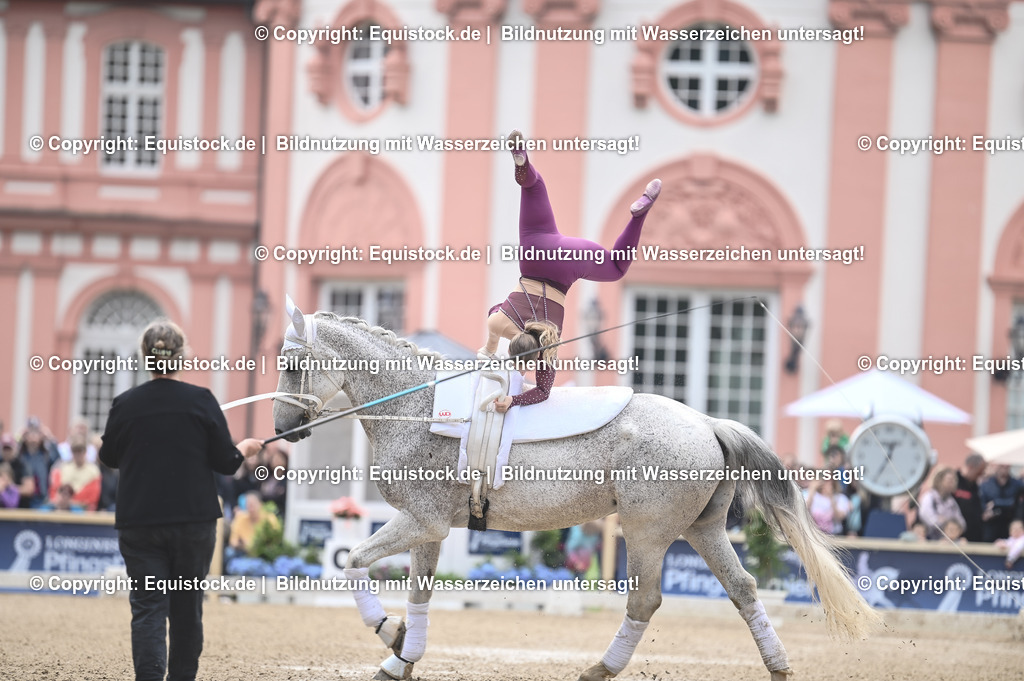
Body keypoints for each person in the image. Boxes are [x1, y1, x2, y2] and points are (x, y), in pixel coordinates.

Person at [99, 318, 263, 681]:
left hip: (140, 521)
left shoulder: (124, 404)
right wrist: (244, 449)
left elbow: (108, 457)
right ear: (182, 356)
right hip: (193, 522)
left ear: (145, 356)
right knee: (187, 610)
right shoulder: (201, 400)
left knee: (148, 609)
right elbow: (226, 462)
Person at [482, 129, 660, 406]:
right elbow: (491, 325)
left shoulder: (547, 348)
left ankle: (639, 216)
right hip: (536, 249)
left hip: (571, 262)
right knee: (534, 188)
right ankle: (523, 165)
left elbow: (543, 393)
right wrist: (491, 349)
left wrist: (512, 401)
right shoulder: (497, 322)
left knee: (616, 266)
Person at [493, 320, 559, 412]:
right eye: (517, 367)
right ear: (509, 351)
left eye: (527, 368)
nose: (522, 373)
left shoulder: (547, 356)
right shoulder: (514, 333)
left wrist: (513, 400)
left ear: (538, 355)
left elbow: (543, 392)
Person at [49, 437, 102, 510]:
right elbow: (54, 491)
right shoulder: (63, 468)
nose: (77, 454)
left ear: (85, 452)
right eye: (75, 451)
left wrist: (72, 502)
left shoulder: (93, 471)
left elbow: (93, 497)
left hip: (83, 509)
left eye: (80, 451)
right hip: (61, 507)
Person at [18, 418, 60, 507]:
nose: (33, 437)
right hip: (24, 500)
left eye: (36, 433)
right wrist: (18, 437)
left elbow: (57, 456)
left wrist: (50, 437)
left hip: (42, 499)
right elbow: (10, 454)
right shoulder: (21, 456)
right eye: (30, 433)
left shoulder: (45, 456)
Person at [918, 466, 967, 540]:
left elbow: (962, 523)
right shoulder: (929, 497)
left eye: (954, 480)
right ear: (939, 480)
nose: (952, 482)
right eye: (949, 480)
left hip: (947, 541)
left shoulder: (951, 501)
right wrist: (946, 523)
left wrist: (949, 524)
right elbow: (928, 518)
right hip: (931, 540)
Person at [979, 464, 1023, 542]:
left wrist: (996, 503)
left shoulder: (1017, 484)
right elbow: (982, 503)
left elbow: (1016, 503)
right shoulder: (986, 484)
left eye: (1006, 465)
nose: (1004, 467)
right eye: (1002, 465)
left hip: (1010, 525)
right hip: (991, 525)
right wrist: (985, 512)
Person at [228, 491, 280, 557]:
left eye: (253, 505)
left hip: (264, 550)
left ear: (260, 504)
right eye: (248, 505)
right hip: (244, 551)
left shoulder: (269, 518)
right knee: (229, 552)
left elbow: (276, 539)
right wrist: (242, 545)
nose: (251, 508)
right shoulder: (240, 518)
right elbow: (233, 542)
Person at [953, 452, 987, 542]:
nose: (980, 476)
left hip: (975, 536)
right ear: (971, 467)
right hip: (958, 536)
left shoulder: (975, 486)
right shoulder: (954, 480)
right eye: (979, 472)